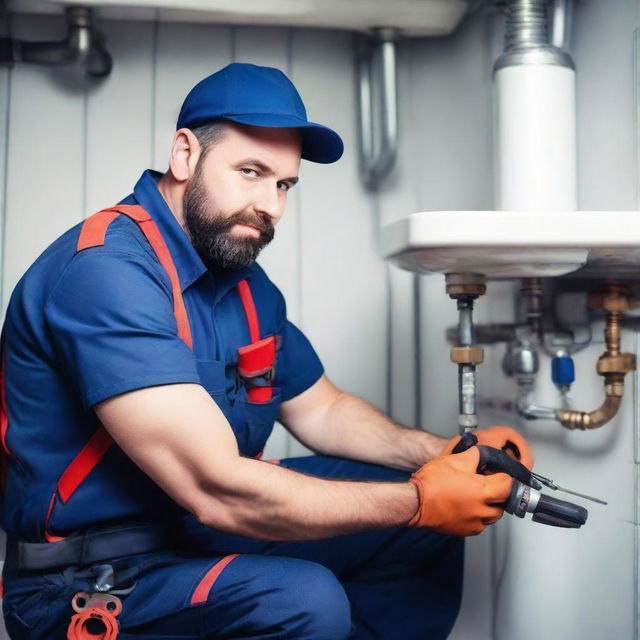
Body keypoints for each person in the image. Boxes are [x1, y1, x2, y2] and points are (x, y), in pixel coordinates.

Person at [0, 63, 533, 640]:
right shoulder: (107, 271)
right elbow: (216, 487)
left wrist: (443, 455)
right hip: (84, 576)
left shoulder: (245, 284)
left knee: (418, 518)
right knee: (303, 598)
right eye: (250, 172)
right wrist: (419, 499)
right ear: (185, 155)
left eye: (283, 184)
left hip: (185, 532)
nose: (271, 206)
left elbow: (322, 410)